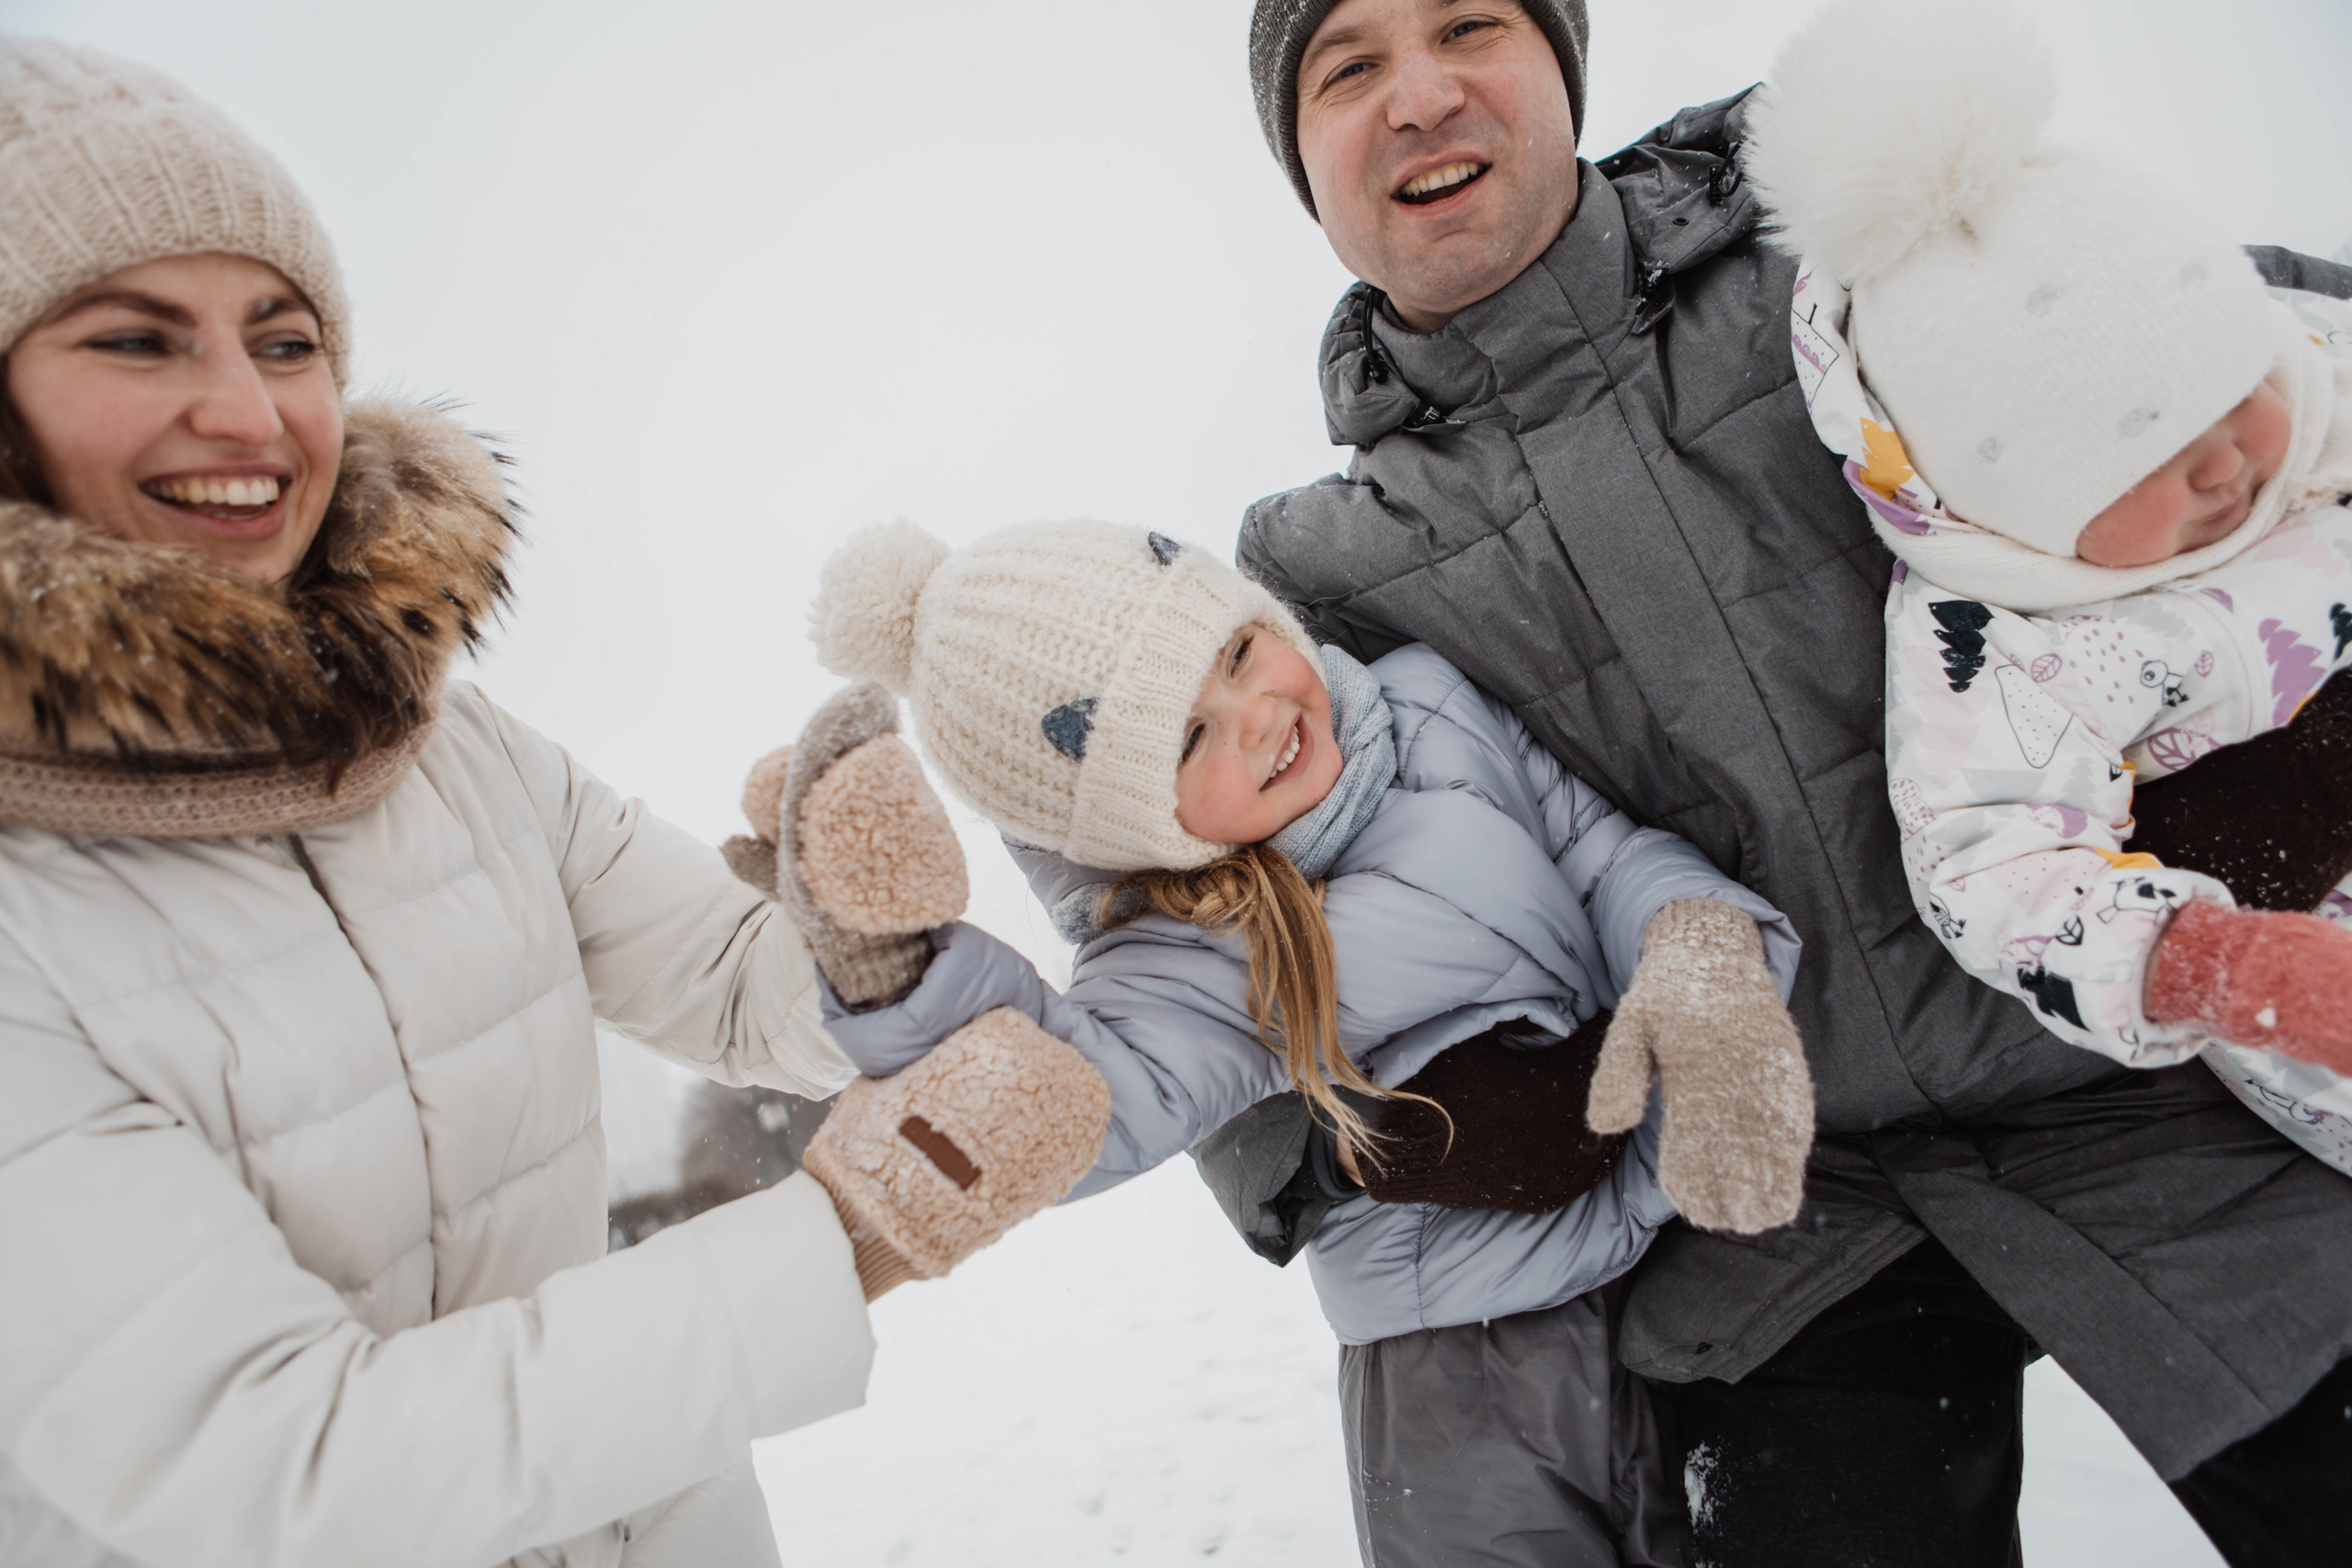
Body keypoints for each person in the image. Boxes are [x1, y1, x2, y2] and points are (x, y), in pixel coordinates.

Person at [1220, 0, 2352, 1562]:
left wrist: (2316, 728)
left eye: (1470, 23)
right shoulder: (1323, 569)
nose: (1419, 94)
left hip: (2149, 1074)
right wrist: (1336, 1134)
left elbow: (2239, 342)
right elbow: (1195, 863)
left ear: (1562, 67)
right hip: (1788, 1211)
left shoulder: (1833, 268)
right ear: (1304, 160)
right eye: (1346, 69)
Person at [0, 39, 1097, 1568]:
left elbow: (721, 973)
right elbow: (281, 1471)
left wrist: (863, 954)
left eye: (285, 336)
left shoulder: (449, 748)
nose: (248, 414)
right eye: (136, 341)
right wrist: (852, 1231)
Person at [755, 514, 1815, 1565]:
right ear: (1129, 818)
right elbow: (1076, 1098)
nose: (1258, 713)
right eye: (1186, 737)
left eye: (1235, 652)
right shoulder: (1196, 940)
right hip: (1461, 1369)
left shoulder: (1432, 706)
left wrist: (1696, 943)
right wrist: (900, 975)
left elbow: (1601, 850)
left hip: (1678, 1262)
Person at [1748, 0, 2352, 1170]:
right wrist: (2211, 964)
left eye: (2232, 394)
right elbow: (1997, 866)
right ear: (2014, 503)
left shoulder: (2325, 391)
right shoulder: (2000, 638)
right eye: (2148, 457)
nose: (2226, 462)